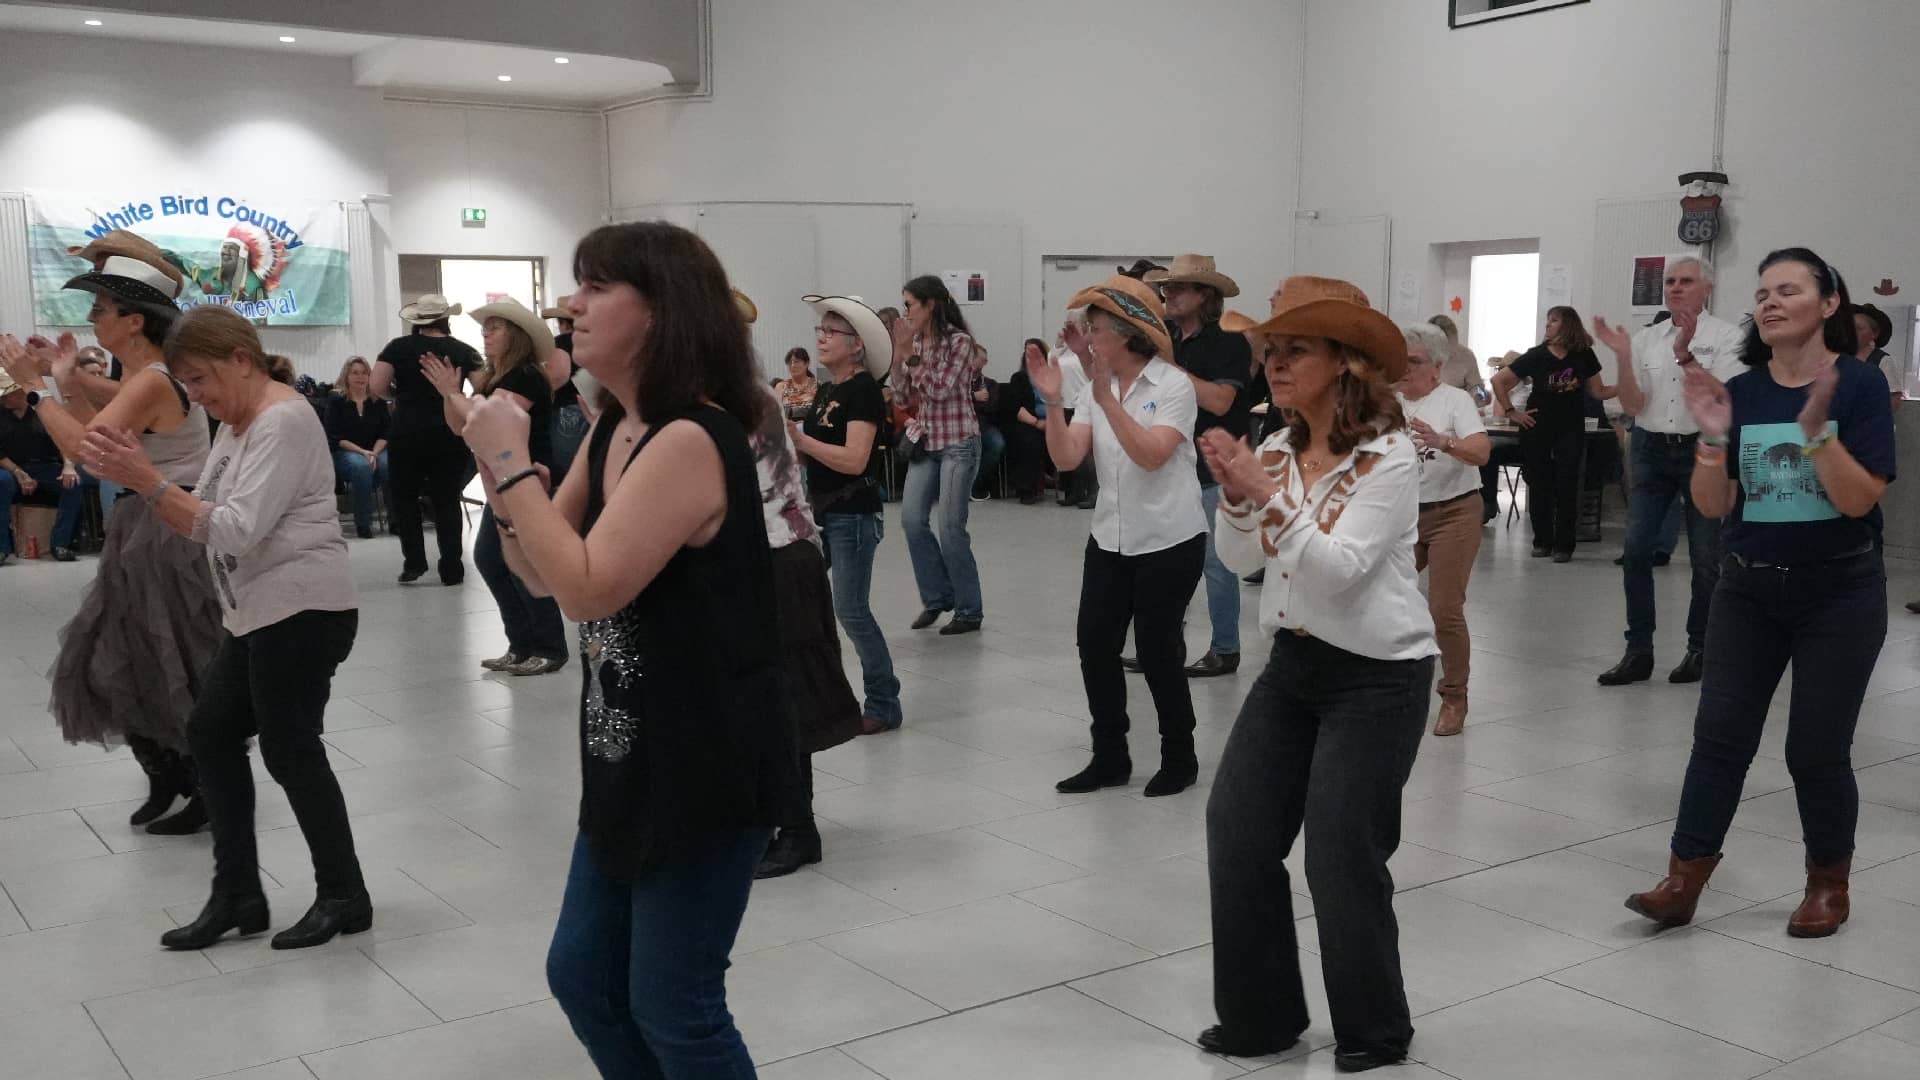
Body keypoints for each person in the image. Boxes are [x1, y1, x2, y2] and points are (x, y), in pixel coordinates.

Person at [458, 222, 800, 1076]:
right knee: (582, 977)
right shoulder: (618, 428)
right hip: (627, 753)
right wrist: (511, 484)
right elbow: (535, 575)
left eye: (598, 287)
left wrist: (506, 464)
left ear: (662, 313)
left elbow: (584, 587)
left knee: (676, 1007)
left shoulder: (692, 436)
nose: (571, 305)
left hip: (707, 760)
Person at [1198, 276, 1434, 1073]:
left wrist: (1269, 496)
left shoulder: (1391, 457)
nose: (1274, 363)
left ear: (1344, 362)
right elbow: (1237, 561)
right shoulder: (1276, 448)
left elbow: (1338, 572)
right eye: (1269, 351)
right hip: (1294, 665)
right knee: (1236, 832)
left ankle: (1375, 1029)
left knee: (1339, 853)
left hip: (1380, 678)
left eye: (1294, 349)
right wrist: (1239, 498)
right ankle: (1262, 1019)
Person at [1624, 248, 1894, 941]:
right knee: (1718, 738)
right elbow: (1714, 508)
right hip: (1747, 588)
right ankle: (1683, 879)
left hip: (1839, 592)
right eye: (1764, 292)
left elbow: (1861, 498)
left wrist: (1817, 436)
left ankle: (1828, 883)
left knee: (1815, 747)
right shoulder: (1742, 390)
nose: (1771, 302)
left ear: (1829, 304)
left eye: (1789, 290)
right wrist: (1712, 443)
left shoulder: (1858, 386)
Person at [79, 306, 369, 951]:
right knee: (210, 733)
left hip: (303, 610)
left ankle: (344, 894)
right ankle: (238, 893)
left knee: (291, 750)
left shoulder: (284, 420)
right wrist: (147, 478)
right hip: (256, 611)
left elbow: (233, 527)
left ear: (241, 359)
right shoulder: (239, 422)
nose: (198, 397)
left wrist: (146, 480)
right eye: (188, 385)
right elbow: (202, 508)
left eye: (202, 380)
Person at [0, 232, 219, 836]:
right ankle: (170, 777)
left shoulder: (154, 378)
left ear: (132, 321)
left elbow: (92, 452)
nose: (92, 317)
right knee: (129, 654)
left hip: (163, 529)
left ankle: (204, 788)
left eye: (100, 308)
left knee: (170, 657)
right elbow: (104, 409)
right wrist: (65, 375)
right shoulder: (148, 375)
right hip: (142, 526)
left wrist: (36, 388)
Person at [1028, 276, 1206, 797]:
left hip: (1169, 538)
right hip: (1110, 537)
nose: (1088, 338)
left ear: (1128, 335)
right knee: (1094, 645)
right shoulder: (1092, 392)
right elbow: (1065, 458)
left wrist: (1106, 400)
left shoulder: (1173, 386)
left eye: (1097, 329)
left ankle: (1180, 755)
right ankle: (1110, 756)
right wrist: (1056, 403)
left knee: (1156, 650)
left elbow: (1152, 455)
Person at [1591, 255, 1748, 686]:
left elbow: (1725, 398)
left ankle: (1701, 648)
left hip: (1705, 452)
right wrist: (1623, 358)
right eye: (1670, 281)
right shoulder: (1646, 338)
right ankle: (1638, 650)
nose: (1675, 288)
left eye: (1686, 281)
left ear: (1707, 289)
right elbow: (1634, 405)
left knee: (1705, 558)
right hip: (1652, 447)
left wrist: (1685, 358)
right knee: (1637, 551)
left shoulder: (1730, 338)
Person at [423, 299, 567, 677]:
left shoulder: (526, 376)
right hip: (503, 482)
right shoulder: (493, 379)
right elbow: (460, 426)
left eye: (495, 328)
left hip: (527, 480)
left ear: (515, 336)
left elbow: (490, 420)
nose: (485, 334)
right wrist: (448, 394)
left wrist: (453, 394)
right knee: (491, 559)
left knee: (522, 563)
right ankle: (521, 644)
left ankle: (549, 646)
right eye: (485, 328)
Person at [1146, 254, 1254, 678]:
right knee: (1165, 561)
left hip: (1214, 466)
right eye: (1166, 288)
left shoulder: (1227, 341)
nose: (1168, 295)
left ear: (1204, 295)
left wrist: (1169, 370)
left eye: (1178, 288)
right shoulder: (1167, 337)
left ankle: (1225, 648)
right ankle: (1163, 646)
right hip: (1171, 463)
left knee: (1217, 562)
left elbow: (1221, 401)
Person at [1398, 323, 1491, 737]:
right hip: (1401, 516)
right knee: (1386, 598)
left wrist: (1443, 441)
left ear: (1436, 366)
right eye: (1400, 360)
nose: (1404, 368)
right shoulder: (1388, 402)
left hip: (1454, 512)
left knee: (1444, 609)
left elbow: (1482, 452)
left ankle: (1454, 695)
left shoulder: (1454, 401)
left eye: (1414, 362)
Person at [892, 275, 985, 635]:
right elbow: (901, 399)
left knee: (950, 528)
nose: (906, 313)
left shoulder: (960, 343)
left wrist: (910, 358)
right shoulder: (913, 343)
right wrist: (901, 362)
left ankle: (969, 609)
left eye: (909, 305)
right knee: (912, 520)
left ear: (930, 304)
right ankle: (937, 597)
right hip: (926, 441)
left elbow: (942, 390)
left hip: (959, 442)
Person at [373, 294, 481, 586]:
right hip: (449, 431)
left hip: (406, 432)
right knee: (446, 499)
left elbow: (376, 385)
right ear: (446, 318)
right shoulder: (464, 350)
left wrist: (399, 397)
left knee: (405, 499)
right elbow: (484, 387)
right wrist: (457, 398)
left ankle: (414, 563)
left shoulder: (397, 348)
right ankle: (451, 568)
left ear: (417, 320)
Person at [1490, 306, 1611, 562]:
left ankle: (1564, 546)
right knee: (1539, 482)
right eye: (1547, 320)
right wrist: (1512, 412)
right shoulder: (1536, 356)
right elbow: (1499, 381)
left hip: (1571, 426)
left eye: (1553, 320)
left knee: (1567, 483)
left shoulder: (1583, 355)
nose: (1547, 325)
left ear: (1567, 325)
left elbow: (1598, 391)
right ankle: (1542, 541)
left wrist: (1628, 387)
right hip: (1537, 425)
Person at [0, 370, 85, 562]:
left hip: (44, 466)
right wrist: (18, 472)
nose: (4, 399)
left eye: (6, 395)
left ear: (20, 392)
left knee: (73, 482)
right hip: (10, 469)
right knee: (1, 482)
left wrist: (68, 466)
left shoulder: (43, 411)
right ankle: (2, 547)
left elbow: (63, 440)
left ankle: (61, 543)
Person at [323, 356, 390, 539]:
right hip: (346, 451)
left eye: (364, 373)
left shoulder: (378, 400)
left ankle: (396, 520)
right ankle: (363, 523)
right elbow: (335, 437)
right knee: (361, 467)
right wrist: (363, 453)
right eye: (355, 373)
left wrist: (374, 453)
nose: (360, 377)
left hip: (376, 449)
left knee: (389, 464)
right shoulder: (336, 400)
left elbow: (386, 433)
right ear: (347, 376)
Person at [544, 295, 593, 488]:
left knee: (566, 470)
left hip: (566, 411)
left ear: (563, 322)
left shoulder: (561, 343)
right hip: (591, 409)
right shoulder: (594, 341)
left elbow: (557, 376)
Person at [1001, 338, 1054, 503]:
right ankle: (1027, 489)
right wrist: (1038, 423)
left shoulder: (1052, 377)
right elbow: (1017, 408)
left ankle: (1074, 489)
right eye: (1027, 353)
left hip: (1052, 420)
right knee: (1030, 440)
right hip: (1028, 421)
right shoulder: (1019, 378)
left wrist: (1053, 423)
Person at [775, 347, 820, 420]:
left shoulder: (818, 386)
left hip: (810, 430)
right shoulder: (781, 387)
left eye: (796, 362)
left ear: (807, 363)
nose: (793, 365)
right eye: (789, 363)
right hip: (788, 429)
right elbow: (775, 415)